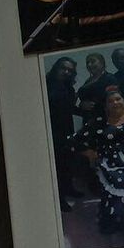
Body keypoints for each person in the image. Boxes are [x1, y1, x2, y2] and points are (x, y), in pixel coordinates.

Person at [69, 84, 124, 233]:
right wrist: (89, 152)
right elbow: (73, 141)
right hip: (110, 163)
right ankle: (114, 221)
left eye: (118, 99)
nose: (115, 103)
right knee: (117, 186)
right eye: (110, 101)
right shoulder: (99, 122)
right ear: (105, 106)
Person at [48, 56, 85, 210]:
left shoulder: (68, 86)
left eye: (70, 70)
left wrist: (84, 110)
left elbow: (68, 108)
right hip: (53, 131)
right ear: (56, 68)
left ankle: (69, 188)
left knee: (68, 162)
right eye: (64, 68)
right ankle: (60, 199)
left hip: (67, 130)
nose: (66, 72)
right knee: (57, 165)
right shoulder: (46, 83)